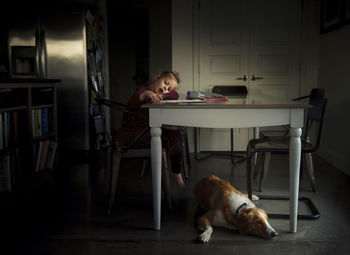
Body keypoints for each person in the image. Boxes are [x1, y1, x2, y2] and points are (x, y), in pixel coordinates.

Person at [113, 71, 186, 188]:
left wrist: (164, 95)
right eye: (165, 83)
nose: (165, 88)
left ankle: (176, 172)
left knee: (177, 136)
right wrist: (146, 94)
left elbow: (175, 95)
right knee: (163, 139)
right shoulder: (142, 90)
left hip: (148, 131)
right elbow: (132, 103)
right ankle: (162, 171)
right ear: (157, 77)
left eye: (169, 88)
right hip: (132, 133)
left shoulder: (162, 94)